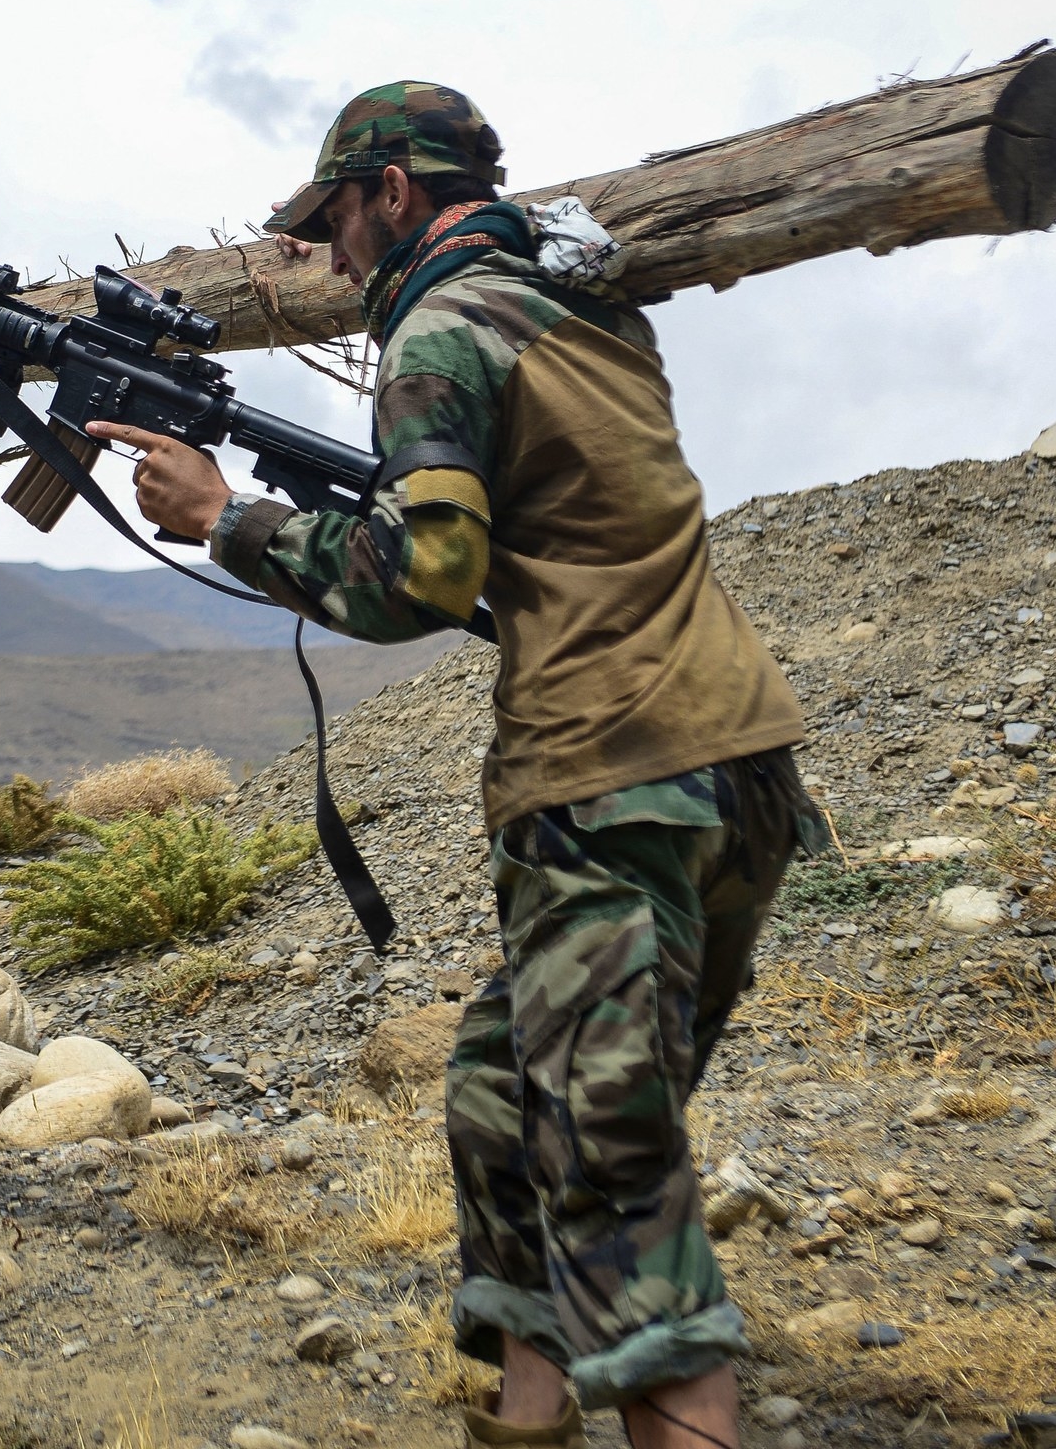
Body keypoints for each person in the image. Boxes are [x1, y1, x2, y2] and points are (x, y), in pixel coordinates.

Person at [88, 83, 812, 1449]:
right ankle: (529, 1414)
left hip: (611, 775)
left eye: (338, 222)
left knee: (613, 1169)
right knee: (499, 1082)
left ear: (395, 193)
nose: (334, 256)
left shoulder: (440, 333)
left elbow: (427, 576)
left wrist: (226, 521)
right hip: (741, 771)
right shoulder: (584, 304)